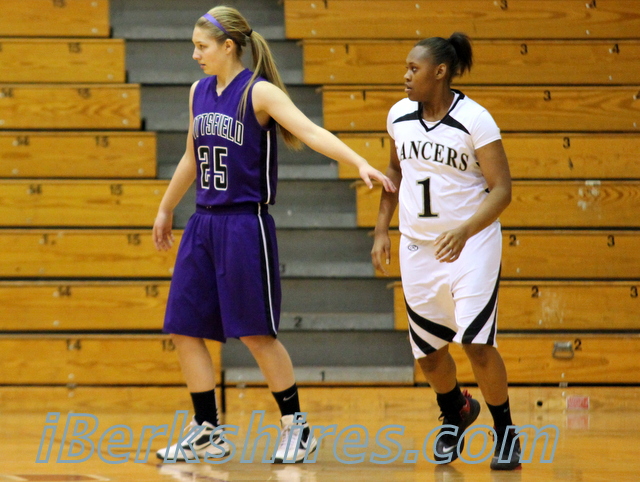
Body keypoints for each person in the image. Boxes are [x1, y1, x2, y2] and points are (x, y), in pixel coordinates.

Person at [152, 6, 395, 464]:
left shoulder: (258, 92)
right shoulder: (198, 92)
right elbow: (191, 156)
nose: (195, 55)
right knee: (184, 328)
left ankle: (295, 428)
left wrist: (359, 162)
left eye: (201, 47)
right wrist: (166, 207)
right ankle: (207, 430)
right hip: (202, 223)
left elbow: (310, 130)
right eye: (193, 46)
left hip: (245, 225)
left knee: (256, 333)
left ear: (228, 47)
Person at [371, 33, 521, 470]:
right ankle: (456, 409)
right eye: (405, 67)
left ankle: (506, 433)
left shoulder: (475, 119)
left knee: (476, 343)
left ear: (439, 72)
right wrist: (381, 230)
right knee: (429, 354)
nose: (405, 75)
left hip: (471, 243)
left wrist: (465, 229)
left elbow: (502, 189)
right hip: (417, 247)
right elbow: (394, 171)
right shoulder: (398, 115)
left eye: (413, 69)